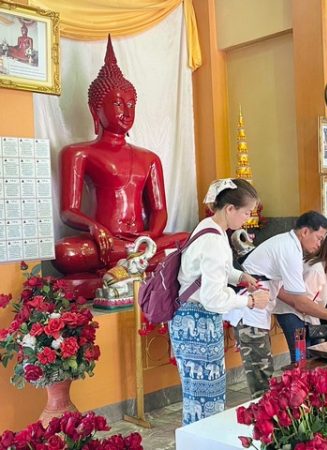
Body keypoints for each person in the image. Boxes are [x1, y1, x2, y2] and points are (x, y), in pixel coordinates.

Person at [53, 36, 188, 279]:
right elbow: (68, 211)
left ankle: (120, 270)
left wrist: (151, 236)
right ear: (96, 109)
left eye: (131, 104)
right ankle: (138, 268)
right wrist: (95, 228)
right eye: (117, 103)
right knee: (65, 252)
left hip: (143, 240)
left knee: (188, 239)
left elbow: (159, 211)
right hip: (106, 243)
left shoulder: (149, 158)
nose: (126, 112)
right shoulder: (78, 153)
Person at [224, 211, 327, 398]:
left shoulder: (291, 246)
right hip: (251, 311)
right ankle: (263, 419)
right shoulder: (290, 250)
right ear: (305, 232)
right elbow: (300, 302)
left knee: (265, 370)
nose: (320, 244)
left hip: (259, 310)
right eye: (319, 238)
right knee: (262, 375)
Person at [169, 178, 270, 425]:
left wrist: (239, 276)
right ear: (230, 209)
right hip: (198, 320)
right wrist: (249, 302)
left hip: (192, 318)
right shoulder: (214, 240)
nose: (247, 219)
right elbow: (213, 298)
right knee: (205, 400)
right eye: (246, 212)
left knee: (202, 396)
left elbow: (208, 272)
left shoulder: (210, 228)